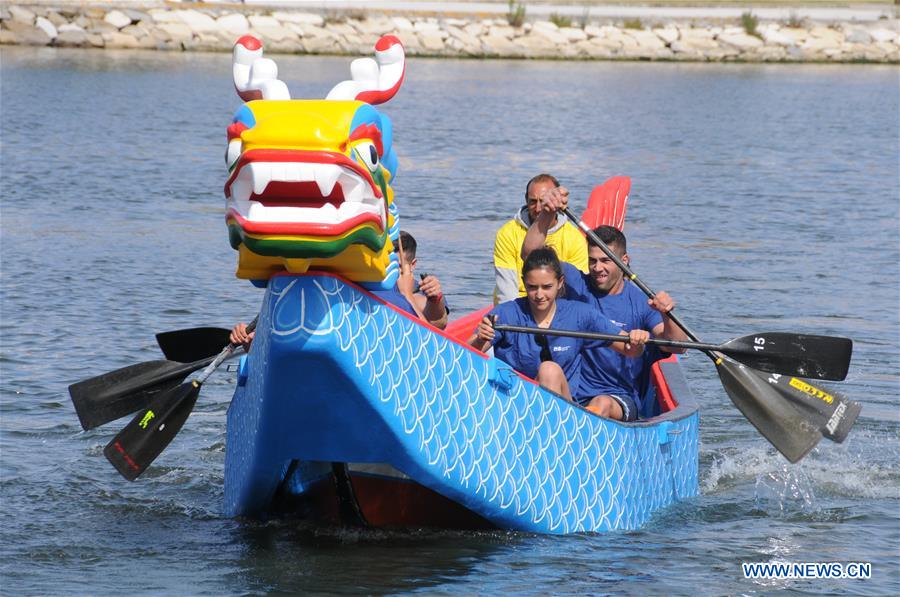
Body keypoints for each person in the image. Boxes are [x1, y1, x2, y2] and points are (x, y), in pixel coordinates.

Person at [521, 185, 689, 421]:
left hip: (619, 399)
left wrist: (666, 314)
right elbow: (531, 255)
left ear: (624, 261)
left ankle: (575, 429)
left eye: (605, 261)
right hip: (573, 395)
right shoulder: (576, 284)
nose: (597, 268)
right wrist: (547, 213)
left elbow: (677, 346)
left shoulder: (641, 301)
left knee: (601, 403)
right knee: (548, 371)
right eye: (592, 261)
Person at [469, 247, 648, 403]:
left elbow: (631, 350)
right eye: (532, 287)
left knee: (549, 370)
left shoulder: (581, 314)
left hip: (565, 413)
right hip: (514, 404)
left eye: (547, 287)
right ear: (524, 282)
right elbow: (466, 354)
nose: (539, 295)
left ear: (560, 283)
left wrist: (637, 341)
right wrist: (480, 339)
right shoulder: (505, 313)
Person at [229, 231, 449, 349]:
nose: (392, 272)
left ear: (413, 265)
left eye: (399, 266)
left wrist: (433, 297)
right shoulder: (358, 280)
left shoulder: (418, 290)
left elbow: (436, 330)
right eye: (387, 264)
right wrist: (250, 341)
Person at [492, 173, 588, 305]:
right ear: (526, 200)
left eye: (543, 201)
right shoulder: (507, 233)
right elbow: (506, 287)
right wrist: (510, 317)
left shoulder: (574, 238)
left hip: (556, 304)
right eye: (533, 201)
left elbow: (576, 288)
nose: (538, 208)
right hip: (518, 304)